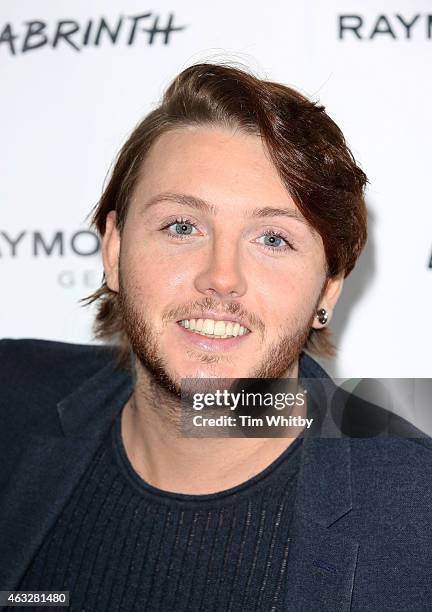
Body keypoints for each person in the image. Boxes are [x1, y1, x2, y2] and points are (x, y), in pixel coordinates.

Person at [1, 62, 431, 612]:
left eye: (273, 238)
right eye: (182, 226)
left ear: (327, 289)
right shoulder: (11, 398)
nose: (222, 276)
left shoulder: (417, 514)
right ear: (113, 250)